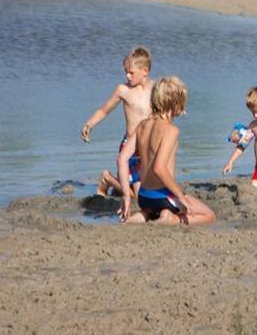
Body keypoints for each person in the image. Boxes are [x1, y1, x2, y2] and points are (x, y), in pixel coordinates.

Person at [118, 76, 215, 225]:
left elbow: (122, 159)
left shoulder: (142, 125)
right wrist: (181, 197)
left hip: (143, 197)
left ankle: (143, 215)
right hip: (163, 197)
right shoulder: (171, 130)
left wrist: (126, 195)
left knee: (150, 211)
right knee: (209, 215)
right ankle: (172, 218)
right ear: (176, 105)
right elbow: (159, 168)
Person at [81, 46, 155, 198]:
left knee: (148, 189)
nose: (127, 76)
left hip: (148, 146)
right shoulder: (123, 90)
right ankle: (107, 178)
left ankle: (118, 185)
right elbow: (104, 110)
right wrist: (89, 124)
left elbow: (167, 105)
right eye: (125, 72)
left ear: (145, 71)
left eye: (131, 73)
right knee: (136, 196)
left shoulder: (155, 89)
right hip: (130, 147)